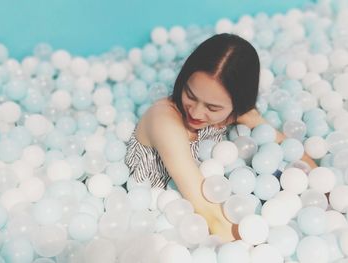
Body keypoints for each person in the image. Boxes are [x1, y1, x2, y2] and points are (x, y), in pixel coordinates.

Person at [124, 33, 316, 242]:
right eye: (190, 94)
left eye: (212, 107)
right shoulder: (164, 120)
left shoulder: (234, 113)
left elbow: (302, 163)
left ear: (237, 105)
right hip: (161, 216)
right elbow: (210, 214)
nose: (196, 113)